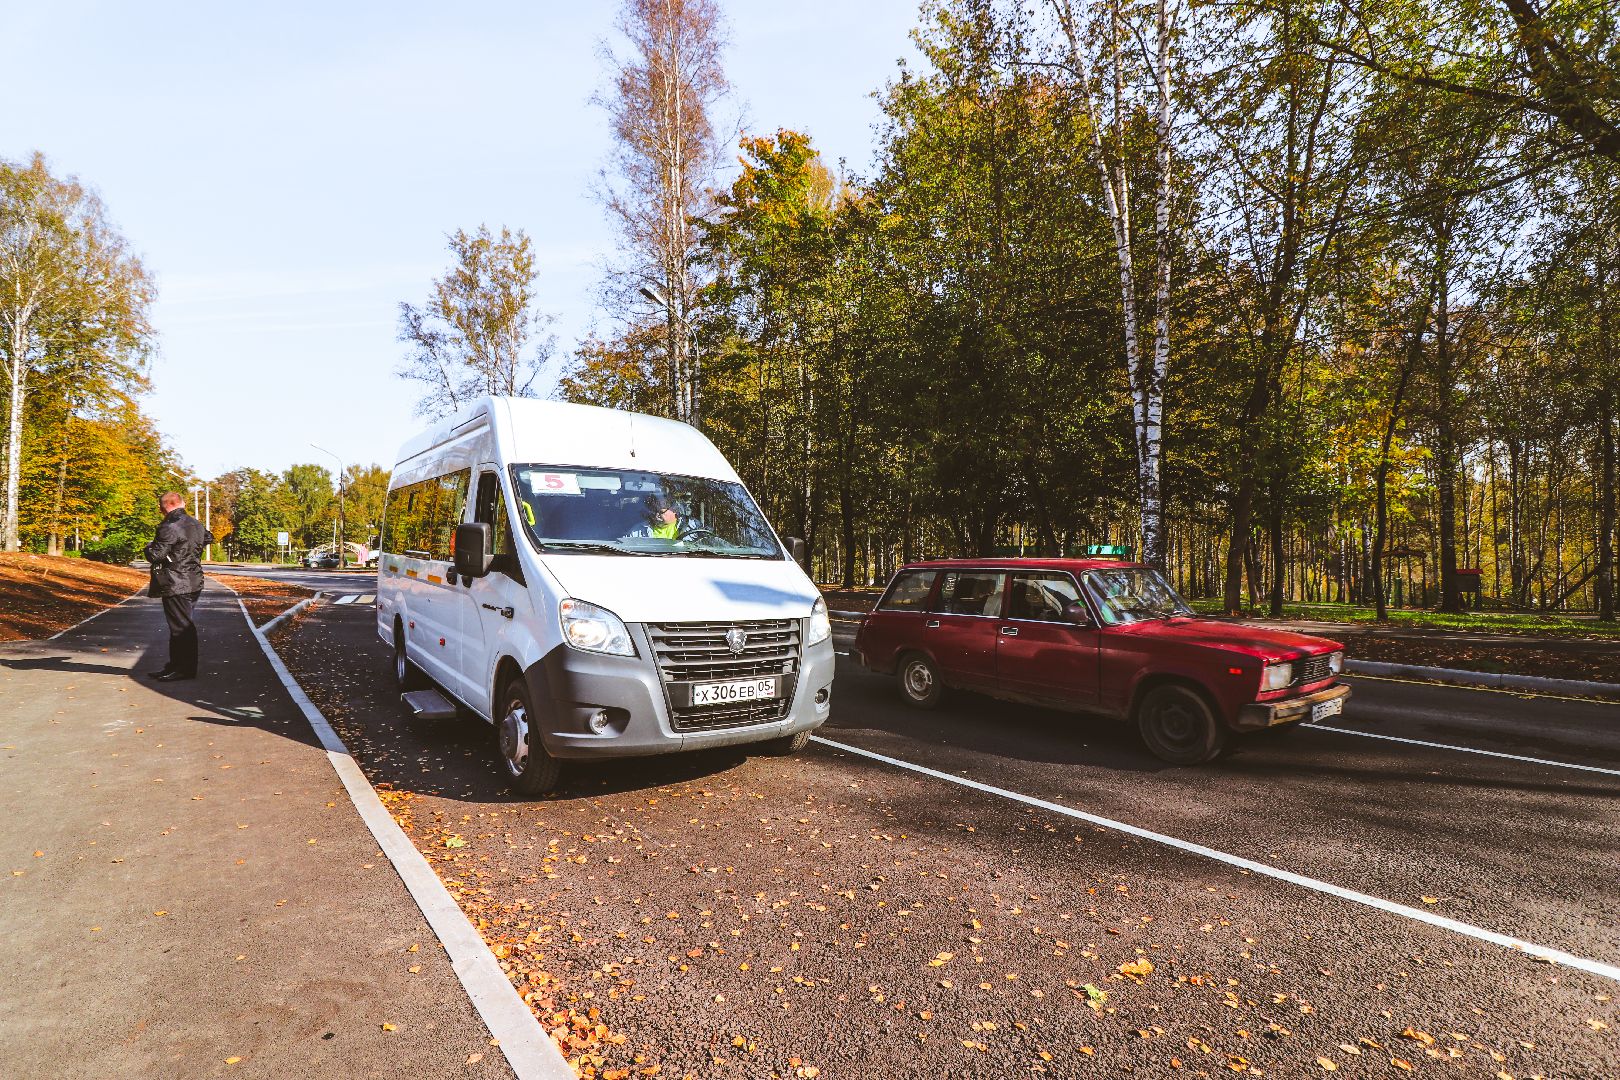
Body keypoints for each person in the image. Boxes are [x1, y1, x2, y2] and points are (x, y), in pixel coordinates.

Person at [145, 491, 210, 682]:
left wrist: (148, 547)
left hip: (176, 582)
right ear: (182, 503)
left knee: (182, 627)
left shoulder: (169, 526)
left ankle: (185, 669)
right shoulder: (195, 523)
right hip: (193, 580)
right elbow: (208, 538)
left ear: (163, 507)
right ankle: (174, 666)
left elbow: (155, 555)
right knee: (180, 625)